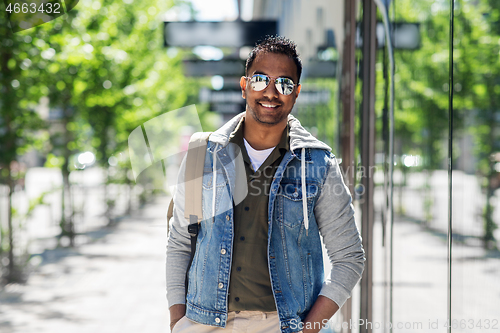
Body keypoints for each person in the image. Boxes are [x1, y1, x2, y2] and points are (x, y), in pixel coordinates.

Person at [166, 36, 364, 333]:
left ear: (296, 94)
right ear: (245, 86)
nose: (271, 92)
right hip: (203, 322)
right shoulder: (201, 155)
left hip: (281, 325)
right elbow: (180, 242)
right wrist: (178, 322)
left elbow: (349, 258)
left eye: (284, 83)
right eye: (261, 80)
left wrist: (309, 329)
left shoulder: (319, 165)